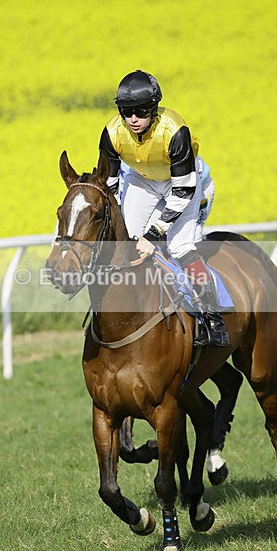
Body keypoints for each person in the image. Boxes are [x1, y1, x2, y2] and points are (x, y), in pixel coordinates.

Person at [99, 69, 229, 346]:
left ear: (154, 109)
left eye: (141, 111)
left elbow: (183, 191)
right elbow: (109, 185)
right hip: (141, 180)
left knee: (180, 247)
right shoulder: (111, 133)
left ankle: (214, 319)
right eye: (126, 111)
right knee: (126, 245)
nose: (133, 119)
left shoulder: (175, 131)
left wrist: (155, 235)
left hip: (181, 183)